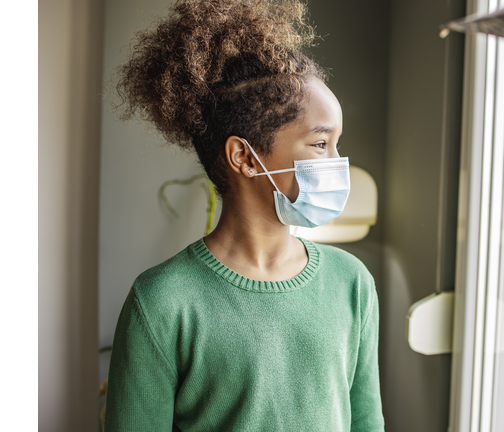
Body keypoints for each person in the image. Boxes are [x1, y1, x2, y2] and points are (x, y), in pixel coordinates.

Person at [103, 0, 385, 430]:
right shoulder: (161, 303)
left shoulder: (353, 284)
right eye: (319, 144)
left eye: (337, 144)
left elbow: (367, 422)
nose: (336, 161)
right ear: (245, 158)